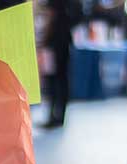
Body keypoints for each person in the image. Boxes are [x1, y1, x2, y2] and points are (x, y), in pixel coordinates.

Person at [42, 0, 77, 128]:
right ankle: (59, 115)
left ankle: (54, 115)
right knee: (62, 78)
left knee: (54, 79)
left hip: (55, 42)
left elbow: (52, 14)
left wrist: (45, 37)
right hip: (65, 41)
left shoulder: (56, 10)